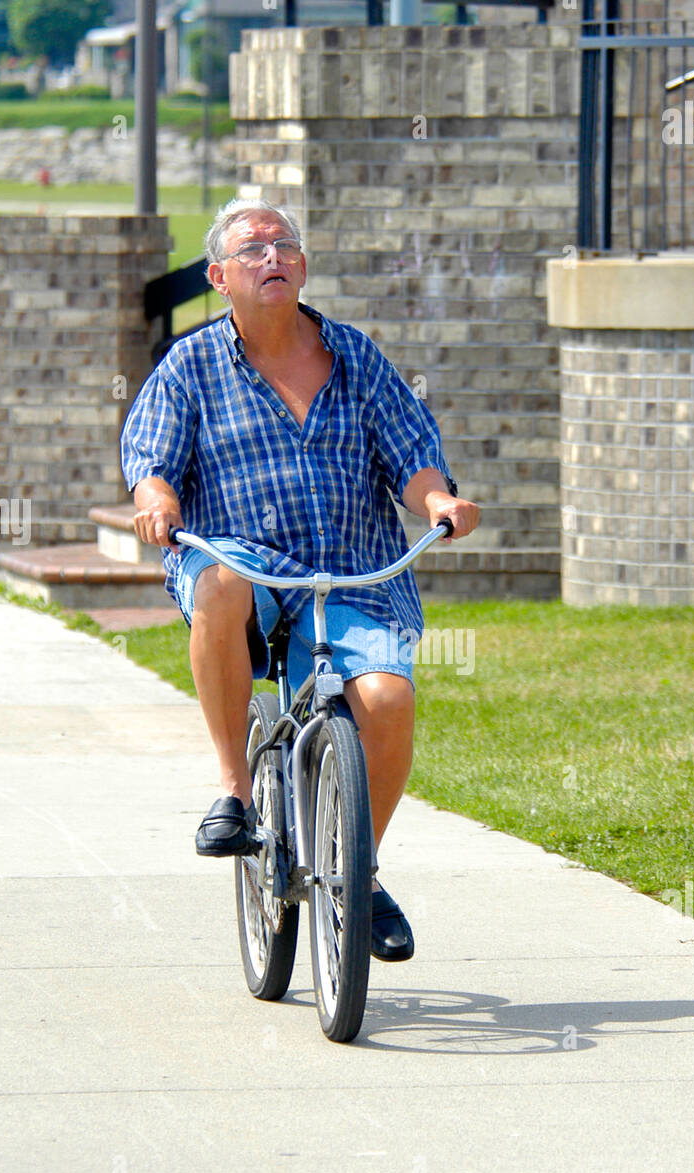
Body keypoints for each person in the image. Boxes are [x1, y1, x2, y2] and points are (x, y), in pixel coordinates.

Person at [120, 197, 480, 962]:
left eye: (285, 245)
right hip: (245, 569)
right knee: (219, 583)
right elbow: (149, 458)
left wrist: (439, 499)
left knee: (386, 699)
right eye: (253, 249)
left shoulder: (356, 357)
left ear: (304, 266)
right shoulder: (190, 366)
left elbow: (411, 455)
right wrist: (155, 498)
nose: (273, 257)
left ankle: (358, 871)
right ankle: (235, 793)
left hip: (354, 575)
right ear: (219, 276)